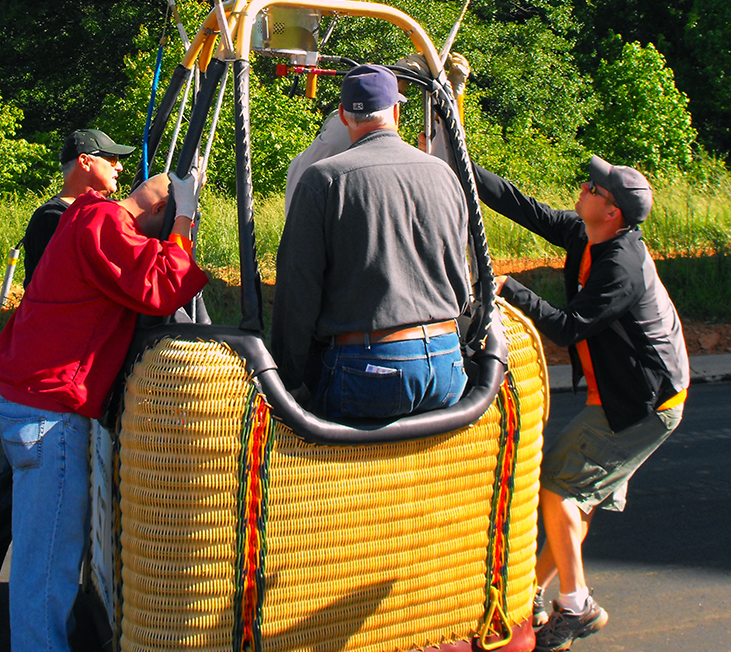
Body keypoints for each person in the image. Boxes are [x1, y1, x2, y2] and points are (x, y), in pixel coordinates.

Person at [0, 165, 208, 652]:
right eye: (166, 221)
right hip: (49, 409)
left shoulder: (86, 213)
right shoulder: (105, 225)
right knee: (49, 561)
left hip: (27, 396)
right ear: (158, 209)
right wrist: (184, 223)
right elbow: (163, 286)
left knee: (42, 550)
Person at [475, 155, 689, 651]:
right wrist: (459, 160)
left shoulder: (621, 266)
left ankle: (577, 606)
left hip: (643, 403)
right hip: (625, 395)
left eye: (596, 188)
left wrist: (509, 289)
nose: (586, 187)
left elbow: (569, 327)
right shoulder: (587, 234)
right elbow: (524, 207)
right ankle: (531, 594)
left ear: (612, 212)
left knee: (558, 487)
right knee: (575, 496)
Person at [0, 128, 134, 621]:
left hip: (62, 375)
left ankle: (14, 586)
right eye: (111, 158)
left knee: (34, 482)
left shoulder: (86, 214)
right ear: (85, 161)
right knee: (24, 482)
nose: (120, 166)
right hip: (47, 376)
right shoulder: (57, 218)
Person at [272, 63, 472, 422]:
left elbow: (298, 289)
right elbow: (461, 272)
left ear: (343, 116)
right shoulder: (443, 174)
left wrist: (289, 379)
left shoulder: (323, 179)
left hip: (370, 367)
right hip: (447, 361)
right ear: (396, 112)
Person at [283, 51, 470, 213]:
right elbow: (452, 171)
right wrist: (452, 101)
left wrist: (395, 85)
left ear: (341, 114)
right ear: (396, 113)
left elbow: (329, 147)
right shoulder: (432, 175)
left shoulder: (319, 179)